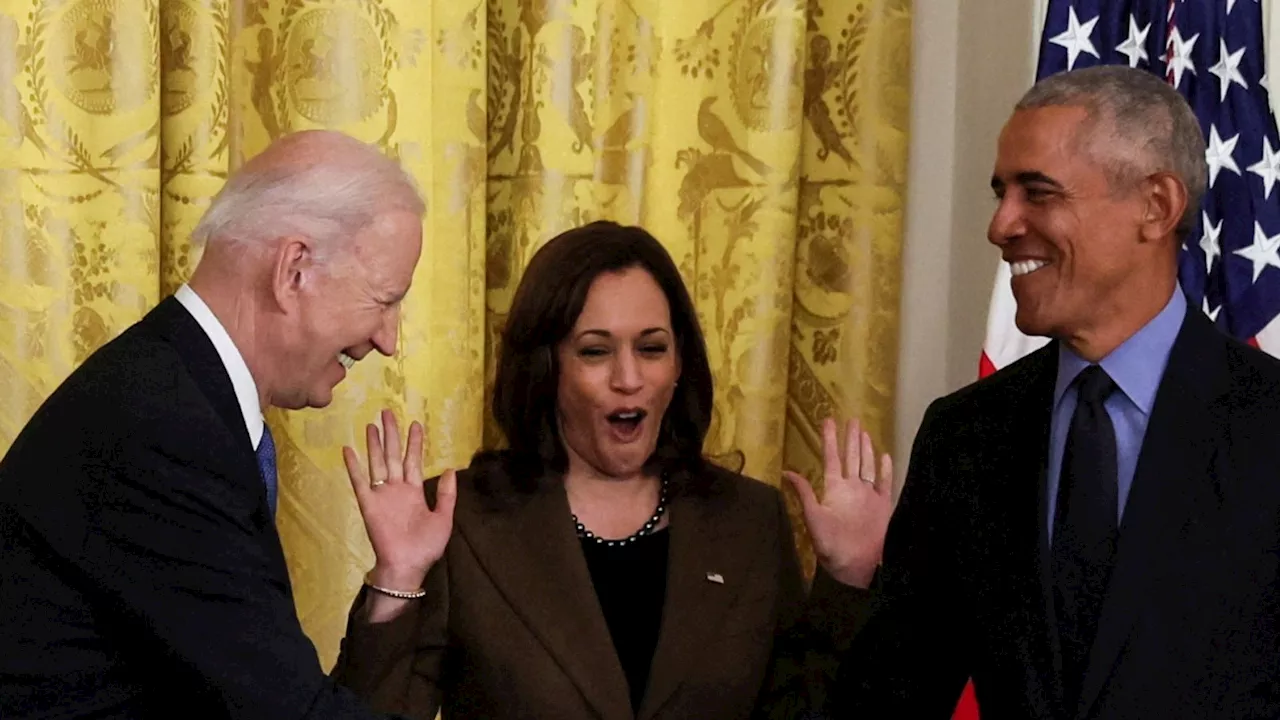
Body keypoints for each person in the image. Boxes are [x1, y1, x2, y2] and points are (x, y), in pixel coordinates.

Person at [829, 65, 1280, 718]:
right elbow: (888, 698)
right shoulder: (965, 435)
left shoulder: (1267, 425)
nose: (1002, 225)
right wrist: (849, 582)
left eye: (1037, 193)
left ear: (1156, 206)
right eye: (1000, 193)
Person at [328, 220, 895, 719]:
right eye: (595, 351)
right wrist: (397, 579)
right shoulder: (462, 520)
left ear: (679, 366)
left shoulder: (749, 519)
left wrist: (847, 581)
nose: (629, 378)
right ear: (547, 369)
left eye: (651, 348)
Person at [0, 130, 427, 718]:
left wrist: (397, 575)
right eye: (384, 299)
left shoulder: (180, 393)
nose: (387, 339)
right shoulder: (162, 427)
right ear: (294, 270)